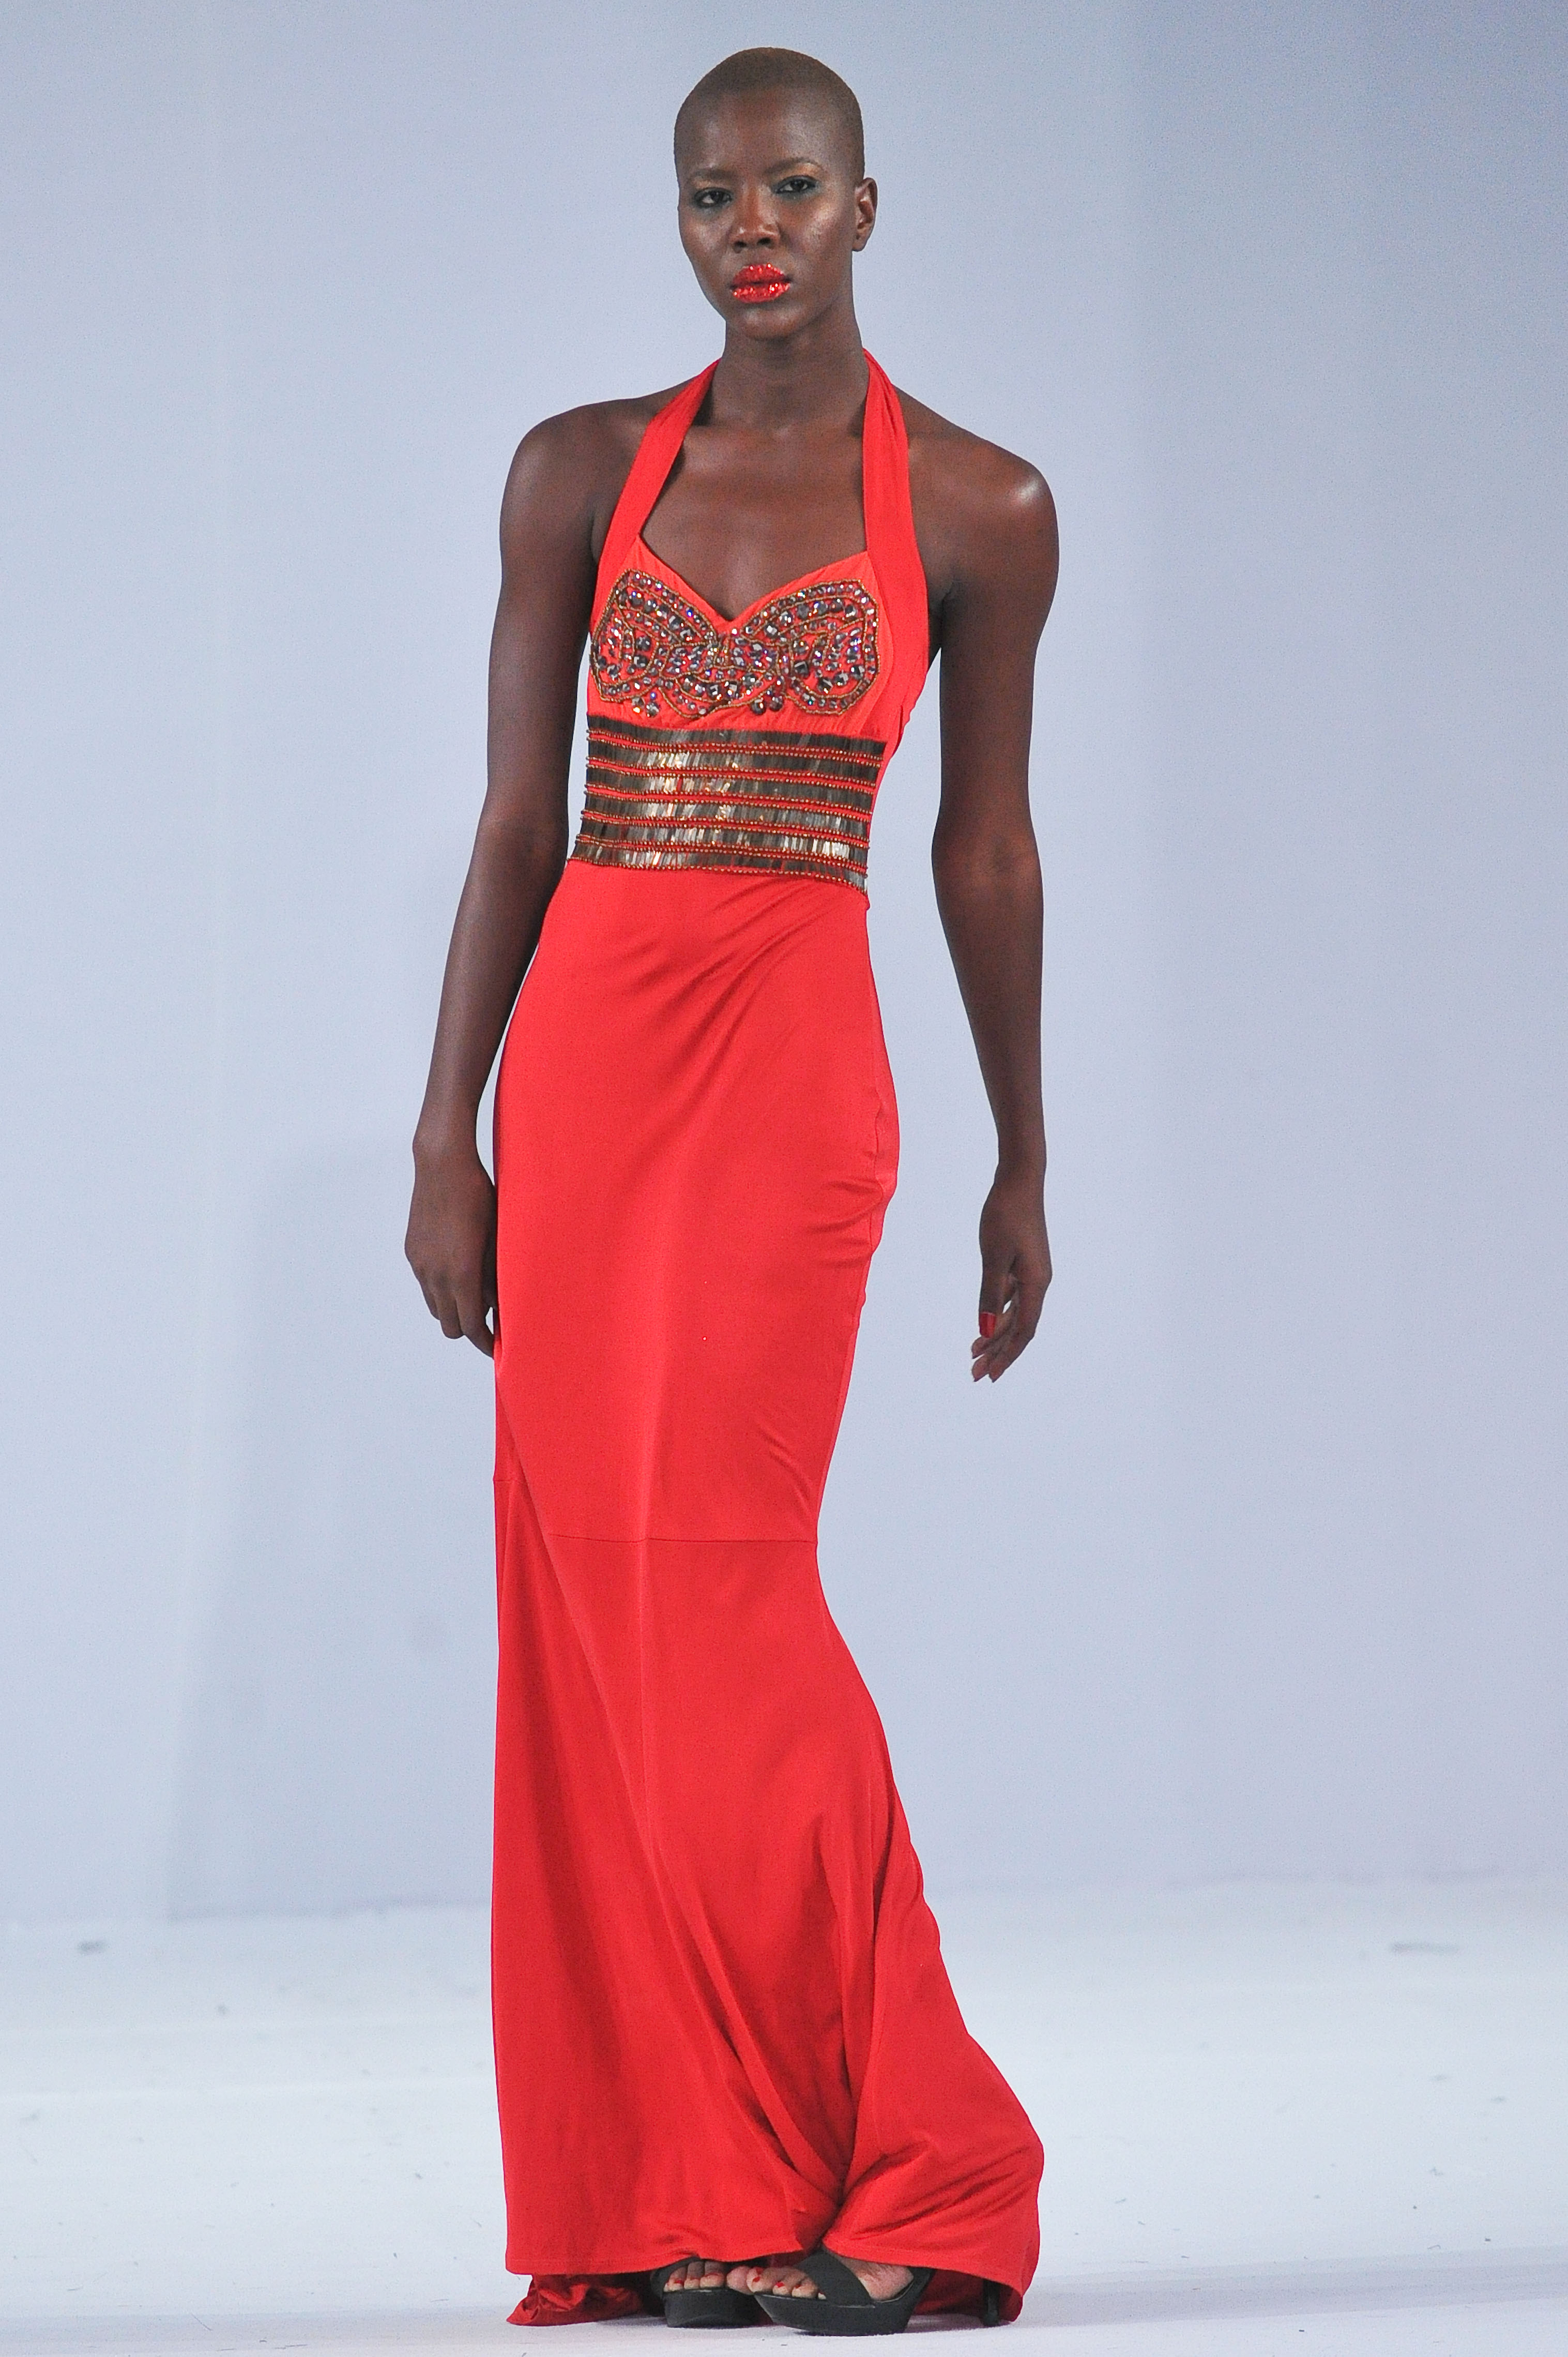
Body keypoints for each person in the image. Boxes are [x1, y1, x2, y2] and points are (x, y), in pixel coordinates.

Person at [406, 46, 1057, 2337]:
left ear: (866, 204)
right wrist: (447, 1130)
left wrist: (1024, 1155)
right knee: (594, 1614)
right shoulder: (577, 469)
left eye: (788, 188)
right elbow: (516, 818)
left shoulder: (979, 502)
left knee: (726, 1600)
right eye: (709, 197)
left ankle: (938, 2164)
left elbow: (985, 851)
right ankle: (701, 2179)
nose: (748, 229)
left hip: (794, 1075)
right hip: (587, 1068)